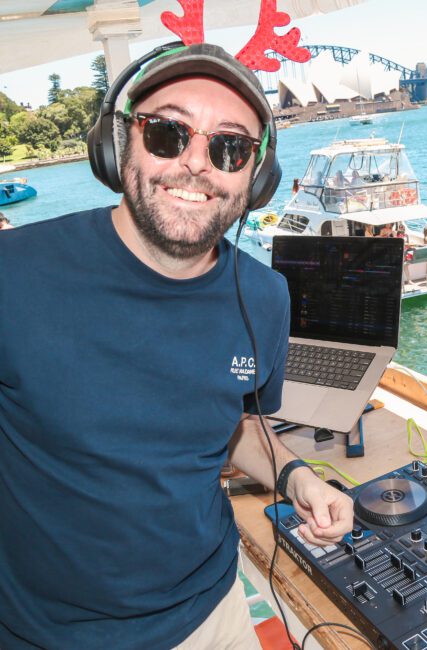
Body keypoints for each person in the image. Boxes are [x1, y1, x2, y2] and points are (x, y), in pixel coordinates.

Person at [0, 42, 353, 650]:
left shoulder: (264, 296)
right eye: (168, 132)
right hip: (44, 634)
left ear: (256, 177)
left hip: (211, 614)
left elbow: (237, 424)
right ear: (118, 146)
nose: (196, 164)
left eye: (229, 146)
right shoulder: (13, 275)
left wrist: (298, 478)